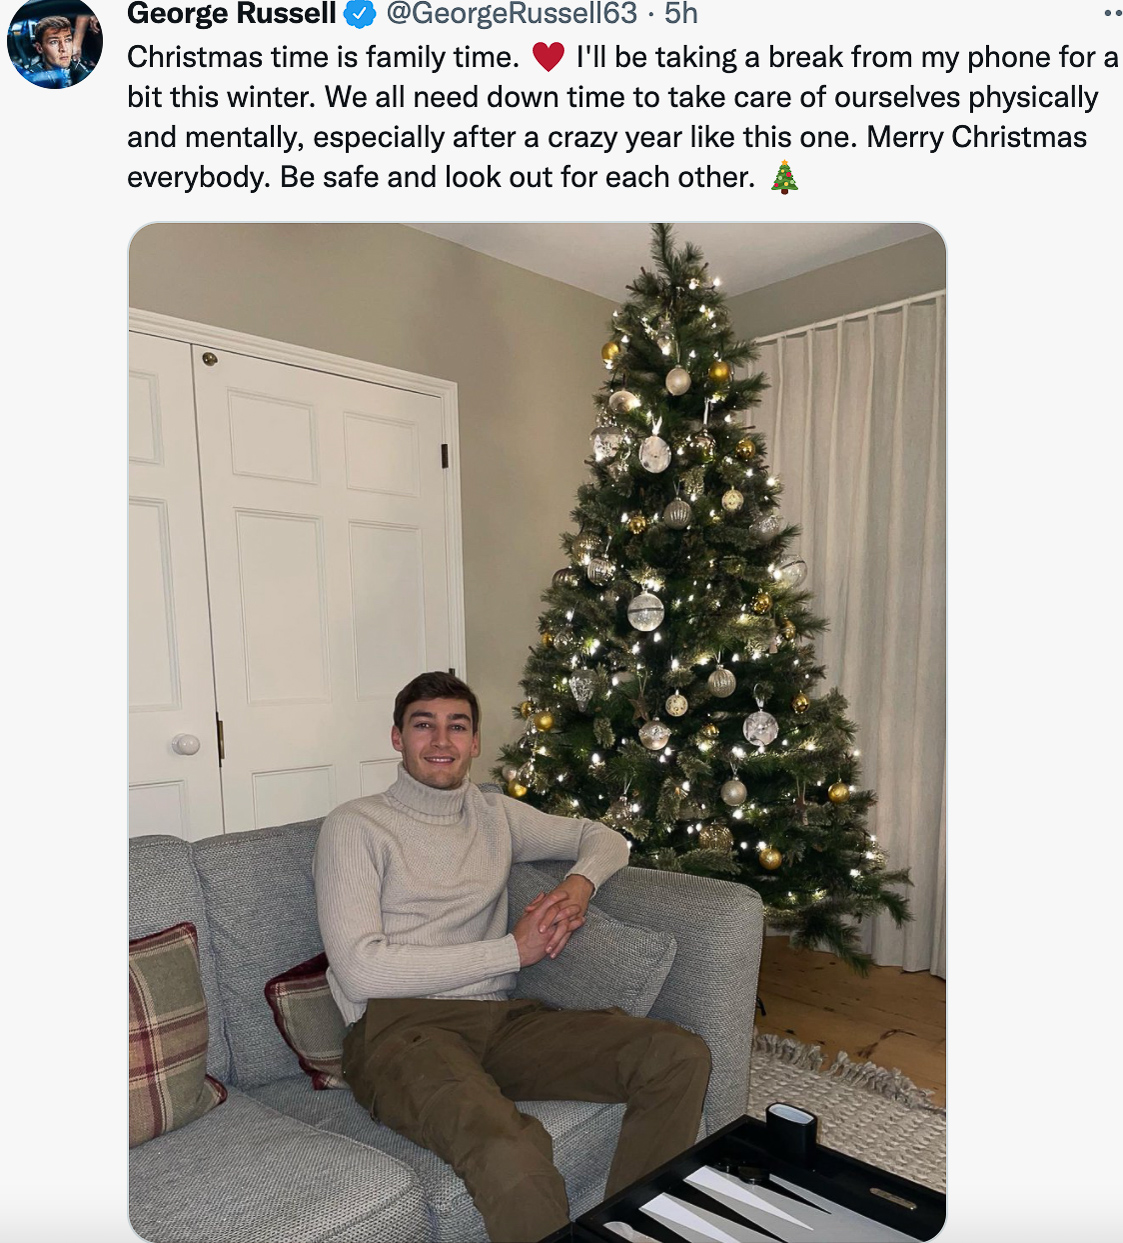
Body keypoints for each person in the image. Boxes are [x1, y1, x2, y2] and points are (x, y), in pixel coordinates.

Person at [314, 671, 712, 1243]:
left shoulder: (495, 815)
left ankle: (631, 1233)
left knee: (675, 1055)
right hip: (399, 1030)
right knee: (511, 1153)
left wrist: (579, 885)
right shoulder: (356, 826)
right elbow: (360, 969)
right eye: (423, 725)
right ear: (397, 738)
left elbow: (605, 838)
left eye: (457, 726)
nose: (441, 740)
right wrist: (511, 951)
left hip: (500, 1021)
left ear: (475, 742)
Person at [15, 15, 92, 88]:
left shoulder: (84, 72)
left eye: (67, 40)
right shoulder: (31, 78)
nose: (64, 48)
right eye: (54, 42)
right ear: (39, 48)